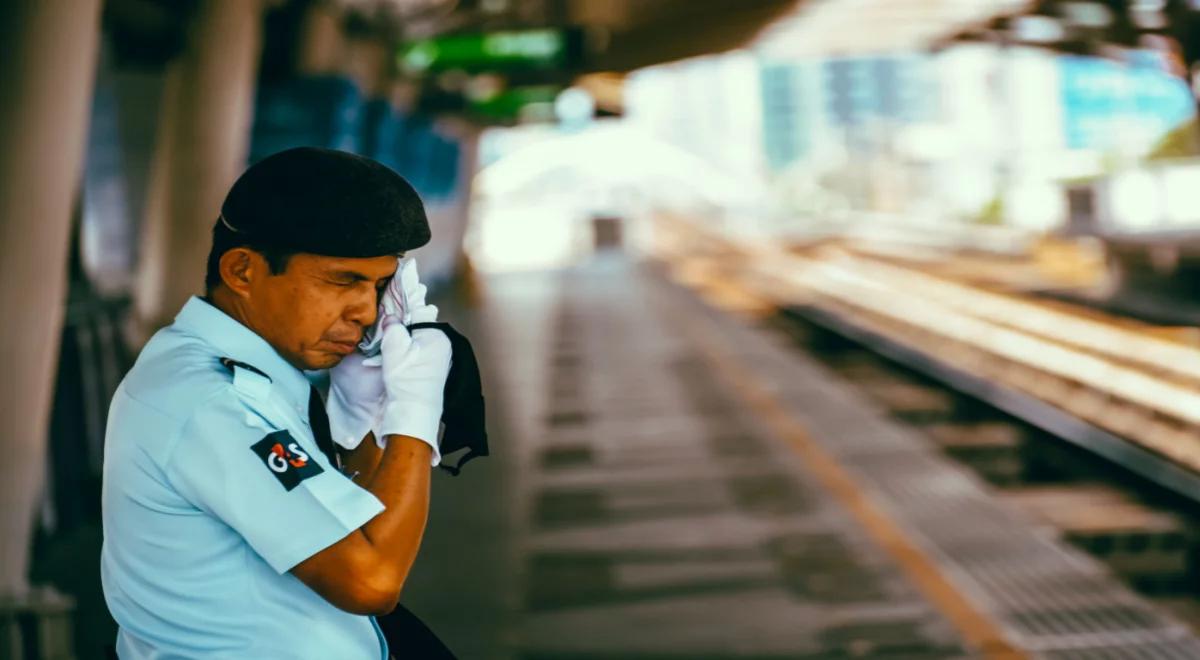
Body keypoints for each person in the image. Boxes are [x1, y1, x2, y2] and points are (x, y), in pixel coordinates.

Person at [100, 147, 453, 659]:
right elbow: (371, 581)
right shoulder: (213, 402)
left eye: (378, 285)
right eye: (342, 281)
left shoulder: (247, 373)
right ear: (243, 270)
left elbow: (352, 527)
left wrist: (363, 423)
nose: (366, 311)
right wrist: (414, 415)